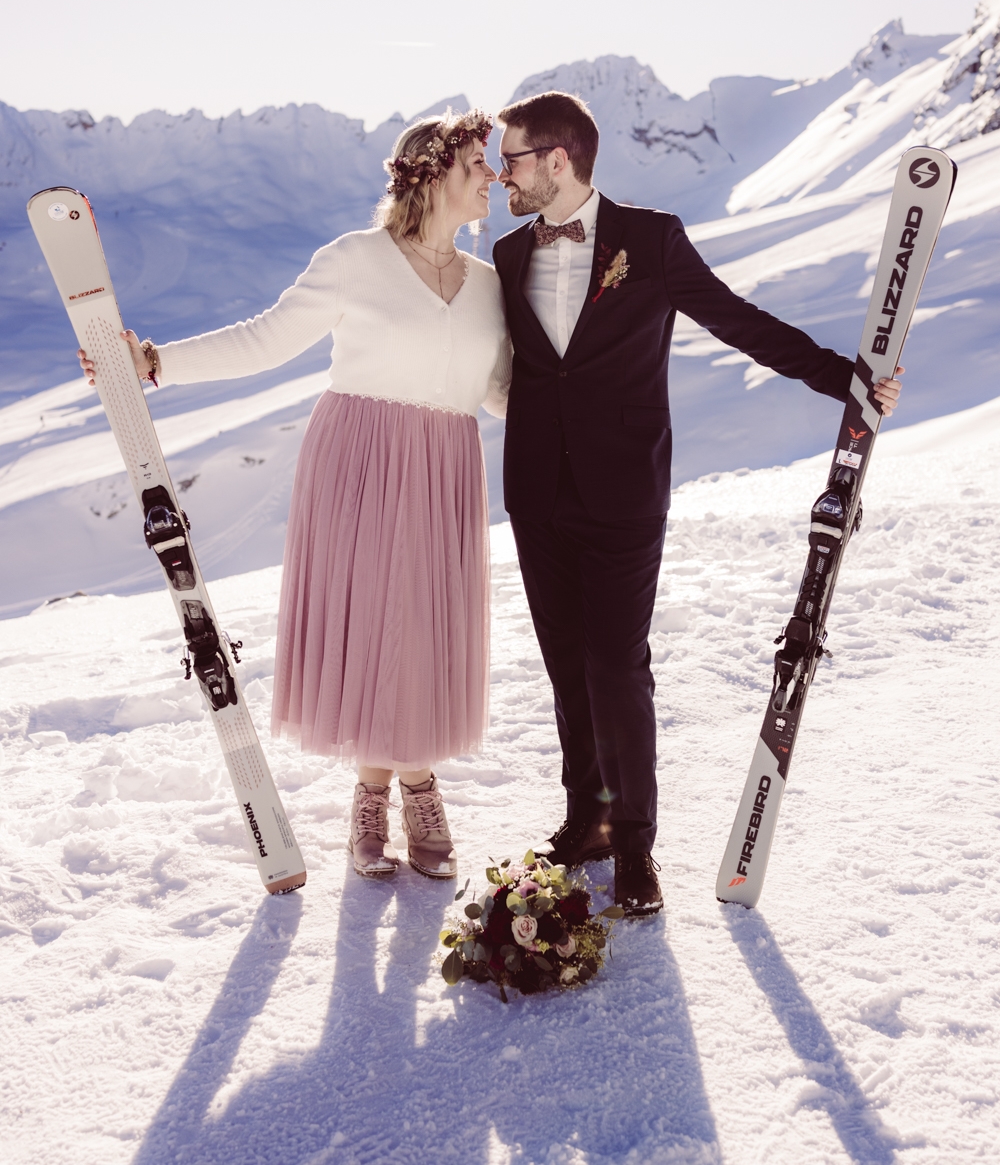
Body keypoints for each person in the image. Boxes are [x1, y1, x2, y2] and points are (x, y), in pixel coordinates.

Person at [491, 90, 903, 918]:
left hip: (624, 493)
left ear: (558, 161)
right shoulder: (506, 254)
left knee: (617, 666)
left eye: (513, 159)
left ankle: (636, 843)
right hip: (537, 494)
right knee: (567, 666)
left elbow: (738, 321)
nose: (503, 174)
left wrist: (846, 382)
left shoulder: (651, 240)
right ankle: (589, 819)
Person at [78, 109, 510, 882]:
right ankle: (387, 795)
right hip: (361, 458)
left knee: (425, 626)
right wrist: (152, 360)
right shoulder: (355, 259)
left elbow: (506, 393)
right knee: (379, 623)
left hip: (445, 466)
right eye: (478, 162)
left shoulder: (488, 284)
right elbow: (265, 339)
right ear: (434, 172)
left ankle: (411, 784)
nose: (494, 175)